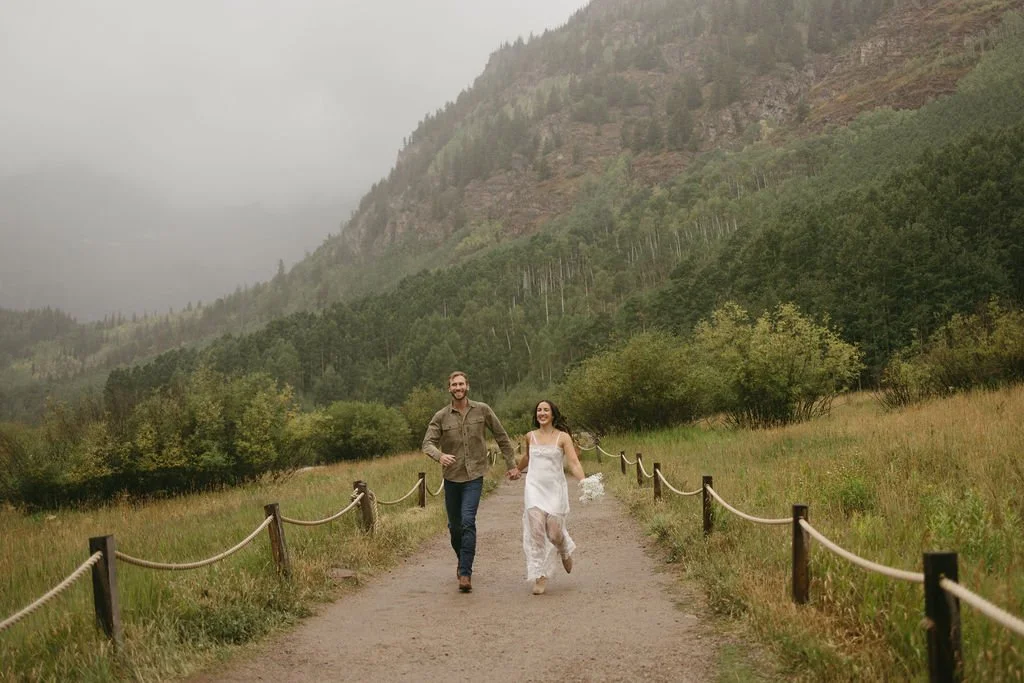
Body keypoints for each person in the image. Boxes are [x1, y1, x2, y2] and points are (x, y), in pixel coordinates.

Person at [422, 370, 519, 593]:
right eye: (454, 385)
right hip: (452, 477)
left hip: (475, 475)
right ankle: (461, 559)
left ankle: (465, 573)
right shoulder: (440, 416)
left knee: (467, 521)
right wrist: (440, 456)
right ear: (449, 388)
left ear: (468, 386)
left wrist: (511, 464)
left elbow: (502, 436)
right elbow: (427, 443)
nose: (458, 388)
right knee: (454, 527)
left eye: (461, 384)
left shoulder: (482, 410)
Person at [516, 399, 585, 595]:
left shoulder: (562, 437)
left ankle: (564, 549)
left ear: (553, 414)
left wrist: (584, 482)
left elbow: (573, 462)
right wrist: (516, 470)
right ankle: (540, 576)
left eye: (546, 410)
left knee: (554, 533)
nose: (542, 413)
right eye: (539, 410)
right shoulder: (530, 436)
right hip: (534, 489)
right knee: (536, 531)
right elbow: (528, 457)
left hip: (555, 490)